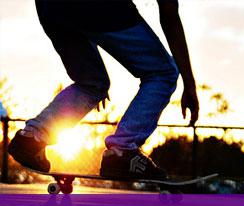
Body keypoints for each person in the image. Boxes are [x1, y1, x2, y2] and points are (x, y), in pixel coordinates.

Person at [8, 0, 199, 180]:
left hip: (50, 8)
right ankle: (122, 151)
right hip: (101, 7)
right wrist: (189, 84)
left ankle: (32, 138)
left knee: (91, 83)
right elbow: (168, 10)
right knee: (162, 72)